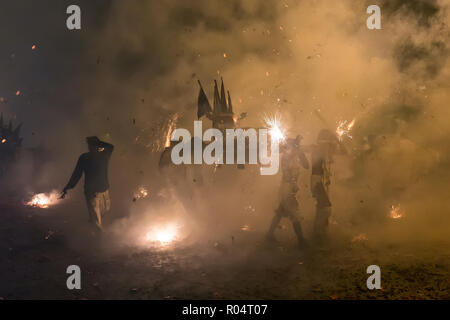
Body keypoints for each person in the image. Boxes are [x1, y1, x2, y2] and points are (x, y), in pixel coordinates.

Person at [61, 136, 114, 231]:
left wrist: (98, 142)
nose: (90, 147)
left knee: (105, 211)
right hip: (91, 193)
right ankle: (98, 242)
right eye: (90, 145)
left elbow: (111, 146)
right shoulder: (84, 157)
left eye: (93, 145)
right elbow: (77, 174)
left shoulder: (104, 155)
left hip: (104, 190)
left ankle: (92, 222)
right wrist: (68, 186)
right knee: (96, 221)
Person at [266, 135, 309, 249]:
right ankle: (301, 240)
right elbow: (286, 174)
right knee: (295, 213)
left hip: (289, 187)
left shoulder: (296, 156)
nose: (296, 147)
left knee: (280, 212)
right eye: (295, 145)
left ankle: (269, 235)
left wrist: (301, 154)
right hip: (287, 188)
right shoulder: (286, 157)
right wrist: (293, 183)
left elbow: (307, 166)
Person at [310, 129, 346, 243]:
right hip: (317, 181)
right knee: (326, 207)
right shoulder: (317, 149)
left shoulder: (325, 150)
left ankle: (319, 232)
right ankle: (318, 233)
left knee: (320, 207)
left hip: (323, 180)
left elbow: (345, 152)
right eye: (328, 141)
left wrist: (337, 140)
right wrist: (334, 140)